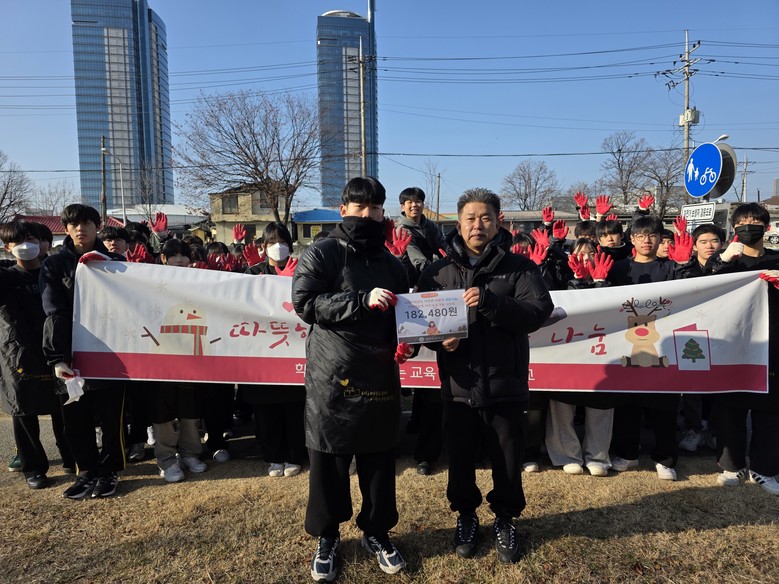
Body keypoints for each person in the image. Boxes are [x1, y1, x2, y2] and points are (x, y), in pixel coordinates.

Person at [415, 188, 554, 563]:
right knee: (460, 461)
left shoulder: (520, 267)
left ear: (498, 221)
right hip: (458, 386)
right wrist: (438, 342)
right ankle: (466, 516)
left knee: (507, 461)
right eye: (470, 218)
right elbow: (420, 323)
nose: (478, 225)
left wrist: (491, 301)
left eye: (486, 218)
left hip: (506, 385)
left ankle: (505, 519)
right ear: (458, 223)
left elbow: (538, 312)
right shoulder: (437, 271)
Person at [291, 177, 410, 581]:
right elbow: (306, 302)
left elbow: (404, 315)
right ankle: (327, 536)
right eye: (359, 207)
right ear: (343, 210)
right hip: (333, 372)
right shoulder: (322, 252)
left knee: (379, 458)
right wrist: (360, 300)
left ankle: (377, 531)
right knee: (329, 458)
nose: (367, 214)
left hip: (378, 371)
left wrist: (406, 343)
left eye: (375, 208)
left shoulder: (392, 263)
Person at [39, 204, 126, 499]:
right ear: (65, 228)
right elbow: (53, 311)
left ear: (97, 226)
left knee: (111, 417)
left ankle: (110, 470)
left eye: (87, 222)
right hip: (71, 354)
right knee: (75, 418)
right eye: (74, 224)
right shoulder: (54, 264)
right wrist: (57, 357)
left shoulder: (115, 262)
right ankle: (87, 471)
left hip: (111, 354)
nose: (80, 228)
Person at [607, 215, 693, 481]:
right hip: (625, 342)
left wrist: (684, 266)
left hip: (664, 343)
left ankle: (665, 458)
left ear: (660, 239)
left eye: (653, 236)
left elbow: (689, 293)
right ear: (632, 239)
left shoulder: (671, 267)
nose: (647, 241)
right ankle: (627, 453)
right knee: (627, 403)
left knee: (664, 405)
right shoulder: (618, 268)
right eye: (641, 236)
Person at [705, 203, 779, 495]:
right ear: (734, 228)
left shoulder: (776, 259)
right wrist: (721, 261)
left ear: (767, 227)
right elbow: (699, 288)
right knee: (730, 406)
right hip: (733, 343)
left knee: (771, 408)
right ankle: (731, 465)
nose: (749, 227)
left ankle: (765, 468)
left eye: (755, 222)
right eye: (743, 222)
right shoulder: (725, 261)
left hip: (771, 342)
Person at [0, 221, 74, 489]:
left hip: (55, 349)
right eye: (16, 241)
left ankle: (71, 457)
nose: (25, 245)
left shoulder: (53, 273)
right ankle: (33, 468)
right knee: (24, 410)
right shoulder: (5, 277)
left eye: (30, 239)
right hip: (18, 353)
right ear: (7, 247)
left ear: (41, 242)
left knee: (64, 407)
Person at [545, 238, 615, 477]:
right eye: (580, 253)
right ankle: (567, 454)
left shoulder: (610, 277)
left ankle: (598, 455)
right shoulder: (560, 276)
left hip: (602, 351)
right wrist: (577, 280)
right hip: (566, 350)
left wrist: (600, 283)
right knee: (562, 404)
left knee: (601, 404)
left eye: (591, 253)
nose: (586, 258)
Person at [241, 222, 306, 478]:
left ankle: (295, 456)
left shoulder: (302, 270)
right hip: (263, 352)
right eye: (271, 242)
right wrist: (274, 284)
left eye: (283, 242)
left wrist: (290, 283)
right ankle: (273, 457)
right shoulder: (253, 272)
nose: (278, 247)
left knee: (294, 409)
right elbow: (243, 304)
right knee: (266, 410)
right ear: (263, 246)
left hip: (293, 350)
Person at [148, 239, 208, 482]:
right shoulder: (150, 281)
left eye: (184, 255)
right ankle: (166, 458)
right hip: (160, 358)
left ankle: (190, 453)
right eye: (174, 255)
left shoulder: (198, 282)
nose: (180, 259)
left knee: (189, 406)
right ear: (163, 259)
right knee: (162, 408)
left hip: (191, 356)